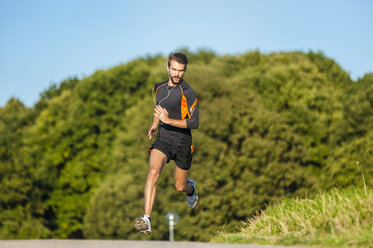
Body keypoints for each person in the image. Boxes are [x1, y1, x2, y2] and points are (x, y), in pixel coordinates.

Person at [134, 52, 199, 235]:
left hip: (183, 142)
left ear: (185, 70)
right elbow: (159, 108)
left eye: (181, 71)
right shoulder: (159, 88)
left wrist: (169, 120)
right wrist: (155, 124)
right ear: (167, 68)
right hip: (164, 138)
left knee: (179, 186)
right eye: (174, 69)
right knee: (153, 171)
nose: (177, 74)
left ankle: (191, 189)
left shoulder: (188, 92)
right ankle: (146, 218)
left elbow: (195, 122)